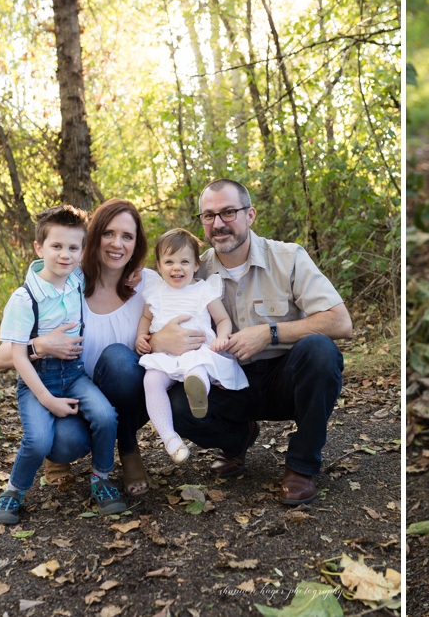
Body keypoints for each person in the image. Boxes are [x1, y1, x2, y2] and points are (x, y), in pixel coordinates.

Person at [100, 178, 351, 505]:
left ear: (250, 215)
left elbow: (340, 321)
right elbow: (156, 295)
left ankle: (302, 465)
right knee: (177, 402)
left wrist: (269, 332)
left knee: (321, 352)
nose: (218, 223)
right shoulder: (193, 267)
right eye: (209, 215)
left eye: (229, 212)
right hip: (229, 381)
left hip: (284, 378)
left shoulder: (287, 257)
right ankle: (236, 441)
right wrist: (159, 339)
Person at [0, 198, 152, 495]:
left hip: (121, 395)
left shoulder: (146, 284)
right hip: (66, 384)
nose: (117, 244)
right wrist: (40, 344)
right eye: (108, 233)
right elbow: (1, 358)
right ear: (92, 240)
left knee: (119, 360)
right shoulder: (70, 281)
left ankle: (127, 451)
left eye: (127, 236)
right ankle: (51, 464)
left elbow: (187, 290)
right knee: (61, 442)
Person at [134, 229, 246, 463]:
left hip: (196, 351)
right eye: (169, 262)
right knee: (151, 381)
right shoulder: (155, 291)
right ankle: (170, 439)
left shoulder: (204, 289)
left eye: (184, 261)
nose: (177, 268)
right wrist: (141, 337)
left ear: (196, 265)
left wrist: (222, 338)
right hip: (164, 355)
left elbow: (223, 319)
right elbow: (146, 318)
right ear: (159, 266)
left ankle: (198, 394)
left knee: (197, 370)